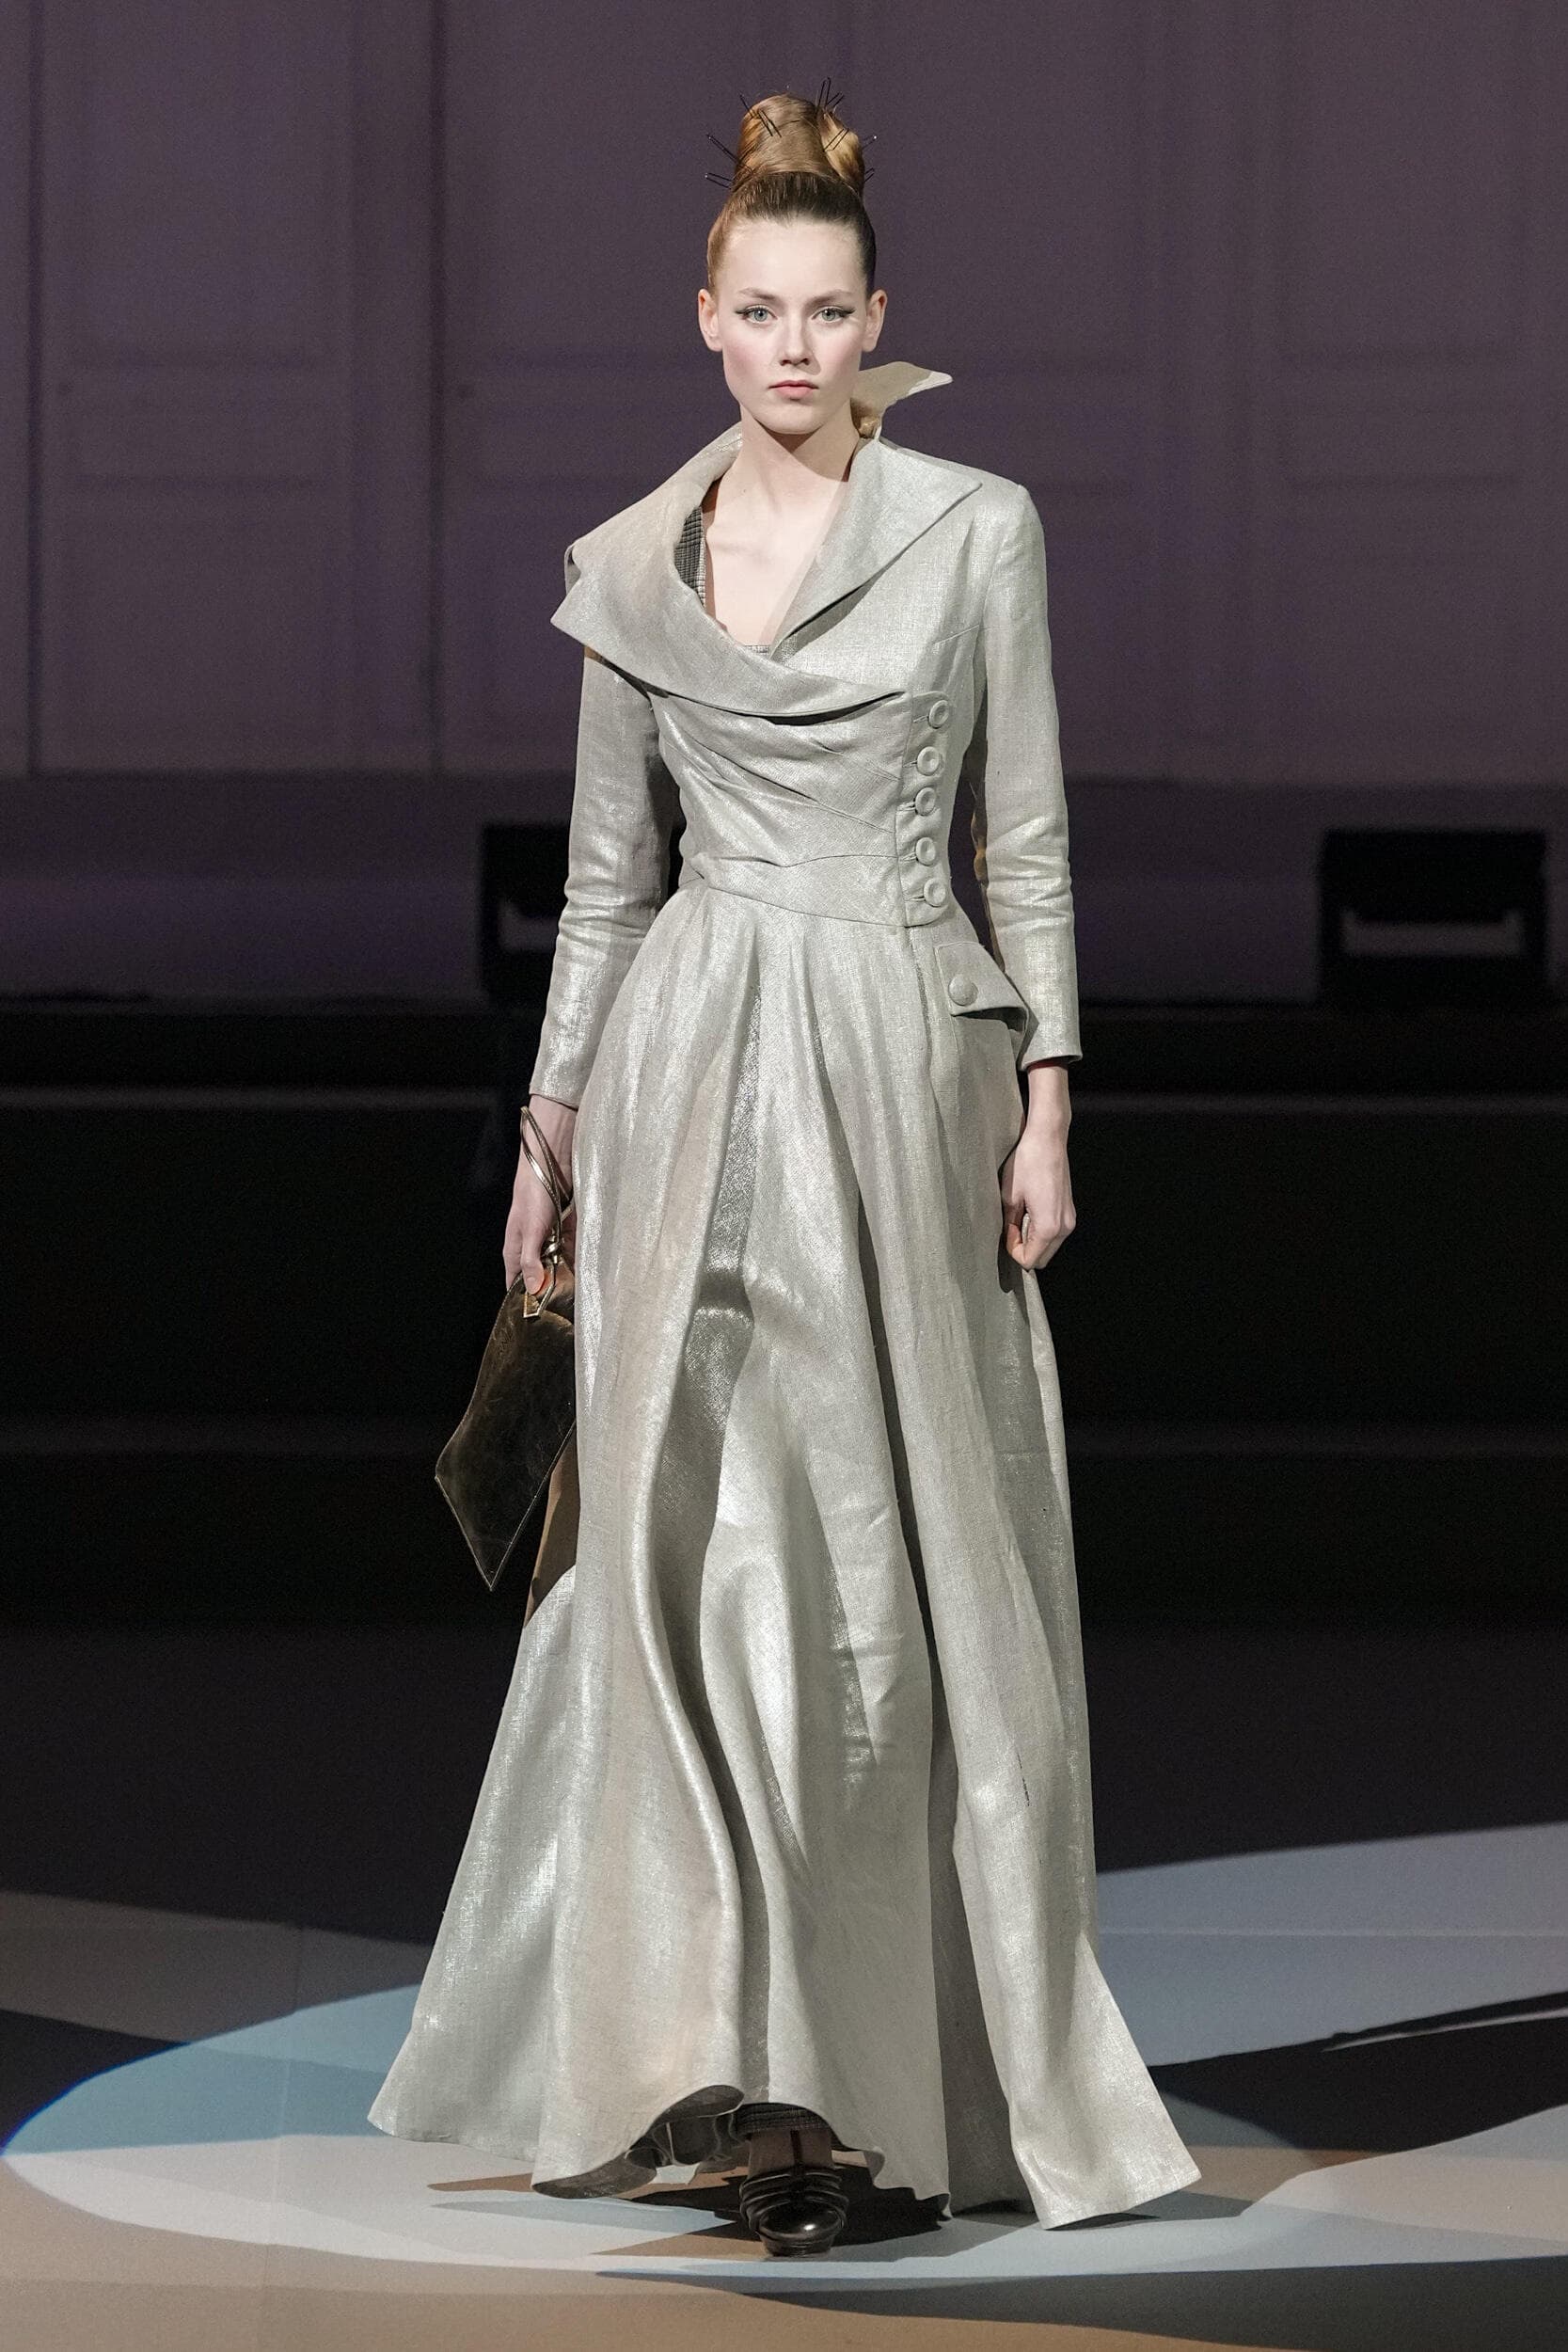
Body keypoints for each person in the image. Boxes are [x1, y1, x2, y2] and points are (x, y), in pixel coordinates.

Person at [369, 85, 1201, 2258]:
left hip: (901, 1074)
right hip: (685, 1078)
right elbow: (605, 880)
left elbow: (1024, 837)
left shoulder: (977, 530)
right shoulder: (631, 570)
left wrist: (1051, 1092)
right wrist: (551, 1133)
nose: (796, 348)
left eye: (830, 312)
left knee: (873, 1583)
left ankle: (870, 2070)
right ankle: (751, 2090)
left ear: (878, 317)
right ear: (707, 318)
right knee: (689, 1569)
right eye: (761, 311)